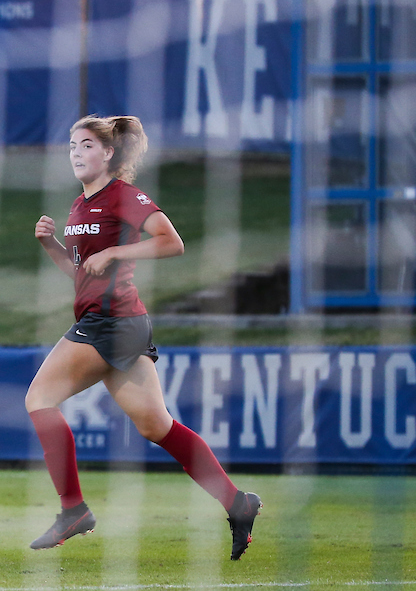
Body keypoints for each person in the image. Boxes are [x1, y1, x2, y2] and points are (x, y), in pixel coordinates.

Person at [25, 115, 261, 560]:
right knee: (157, 425)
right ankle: (238, 503)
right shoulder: (80, 206)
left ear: (109, 153)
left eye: (87, 145)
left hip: (111, 322)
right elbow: (83, 277)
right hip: (120, 321)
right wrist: (52, 246)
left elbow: (172, 242)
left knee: (39, 400)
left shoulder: (124, 196)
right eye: (72, 145)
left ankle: (73, 509)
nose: (76, 152)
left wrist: (116, 250)